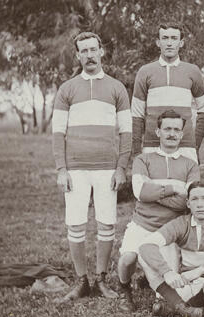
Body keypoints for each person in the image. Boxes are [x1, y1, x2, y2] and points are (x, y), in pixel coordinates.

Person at [52, 31, 132, 301]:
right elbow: (58, 133)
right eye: (83, 51)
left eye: (93, 50)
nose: (89, 55)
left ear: (101, 51)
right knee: (75, 224)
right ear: (77, 55)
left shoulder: (116, 87)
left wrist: (121, 167)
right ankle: (81, 281)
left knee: (106, 223)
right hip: (75, 169)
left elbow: (126, 132)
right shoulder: (67, 88)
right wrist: (61, 169)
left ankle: (101, 280)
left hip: (107, 168)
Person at [117, 110, 199, 311]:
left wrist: (153, 190)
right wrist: (174, 189)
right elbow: (139, 192)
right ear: (158, 131)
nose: (172, 133)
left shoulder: (190, 165)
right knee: (127, 258)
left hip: (170, 229)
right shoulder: (143, 160)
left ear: (182, 134)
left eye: (176, 130)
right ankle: (123, 289)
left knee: (167, 279)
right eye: (167, 129)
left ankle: (158, 294)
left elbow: (188, 202)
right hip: (142, 223)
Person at [138, 181, 204, 317]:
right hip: (187, 286)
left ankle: (179, 307)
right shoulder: (181, 223)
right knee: (143, 257)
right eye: (194, 199)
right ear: (188, 203)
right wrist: (167, 272)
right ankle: (184, 308)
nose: (199, 204)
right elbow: (146, 245)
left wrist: (200, 270)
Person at [131, 23, 204, 163]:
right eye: (165, 38)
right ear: (158, 42)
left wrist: (194, 143)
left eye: (174, 38)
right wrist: (137, 151)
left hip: (185, 147)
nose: (169, 43)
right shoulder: (145, 71)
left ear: (181, 43)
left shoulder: (192, 71)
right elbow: (137, 115)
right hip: (152, 146)